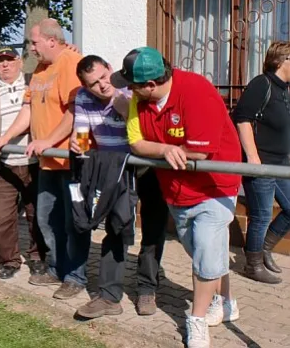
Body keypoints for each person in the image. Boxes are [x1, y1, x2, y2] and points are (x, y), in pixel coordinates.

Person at [112, 47, 241, 348]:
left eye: (132, 85)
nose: (129, 90)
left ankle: (195, 322)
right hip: (177, 190)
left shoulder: (196, 91)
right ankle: (227, 302)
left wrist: (170, 148)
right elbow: (137, 144)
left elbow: (199, 152)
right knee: (203, 252)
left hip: (214, 188)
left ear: (151, 85)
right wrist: (165, 149)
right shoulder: (140, 101)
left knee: (206, 254)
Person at [0, 19, 87, 300]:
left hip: (69, 162)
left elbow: (74, 112)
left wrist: (49, 141)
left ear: (52, 40)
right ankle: (57, 268)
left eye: (34, 42)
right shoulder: (40, 70)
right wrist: (5, 138)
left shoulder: (71, 62)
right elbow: (28, 111)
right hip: (47, 162)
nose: (30, 48)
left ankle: (75, 277)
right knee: (46, 219)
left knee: (73, 222)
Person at [71, 55, 169, 319]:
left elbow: (146, 131)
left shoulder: (129, 90)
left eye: (104, 77)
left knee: (152, 227)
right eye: (93, 83)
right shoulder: (82, 98)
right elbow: (81, 133)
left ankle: (147, 288)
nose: (102, 85)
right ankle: (109, 297)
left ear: (111, 71)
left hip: (147, 167)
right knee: (116, 229)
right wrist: (78, 143)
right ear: (85, 86)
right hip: (115, 170)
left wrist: (122, 103)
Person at [0, 46, 47, 280]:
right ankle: (10, 261)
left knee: (37, 215)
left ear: (19, 62)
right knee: (2, 218)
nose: (5, 65)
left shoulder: (33, 82)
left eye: (9, 60)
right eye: (0, 61)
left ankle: (37, 257)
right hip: (1, 163)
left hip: (34, 162)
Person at [233, 41, 290, 284]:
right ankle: (252, 265)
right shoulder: (262, 83)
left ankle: (264, 250)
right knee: (261, 215)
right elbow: (242, 119)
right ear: (282, 60)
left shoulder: (284, 90)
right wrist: (253, 157)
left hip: (281, 164)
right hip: (262, 163)